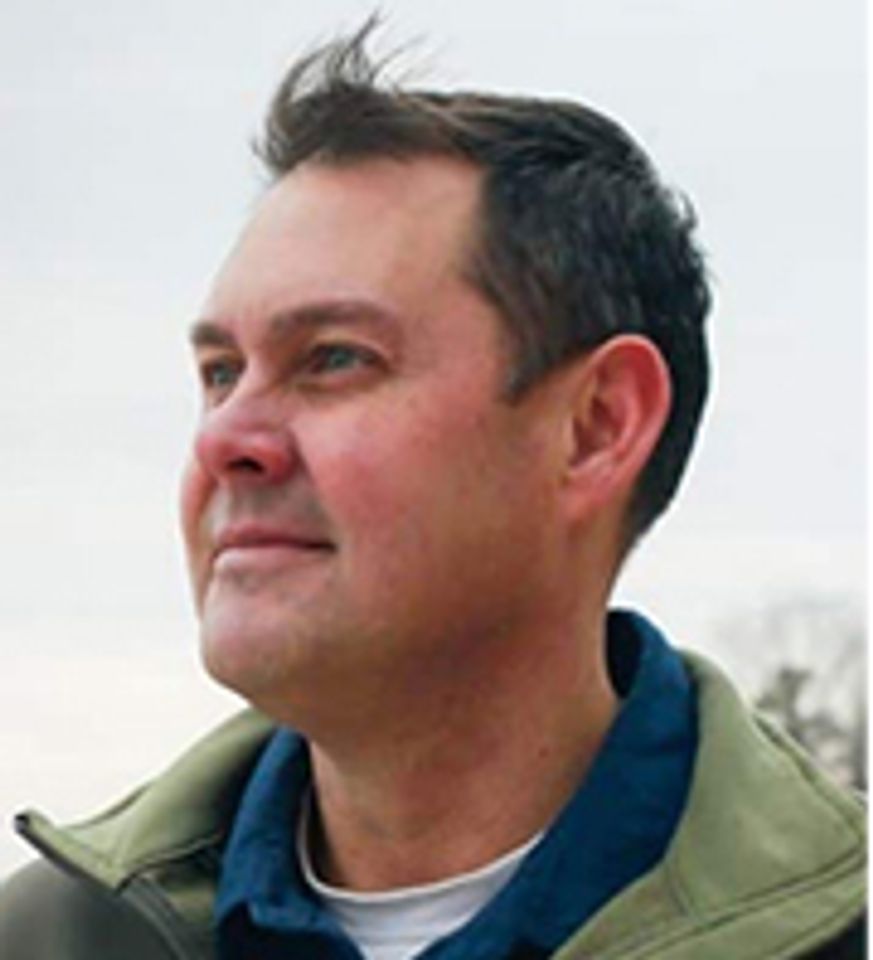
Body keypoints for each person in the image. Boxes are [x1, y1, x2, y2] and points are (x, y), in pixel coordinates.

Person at [0, 20, 864, 960]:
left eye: (333, 359)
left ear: (596, 427)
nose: (223, 440)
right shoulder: (47, 940)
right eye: (220, 373)